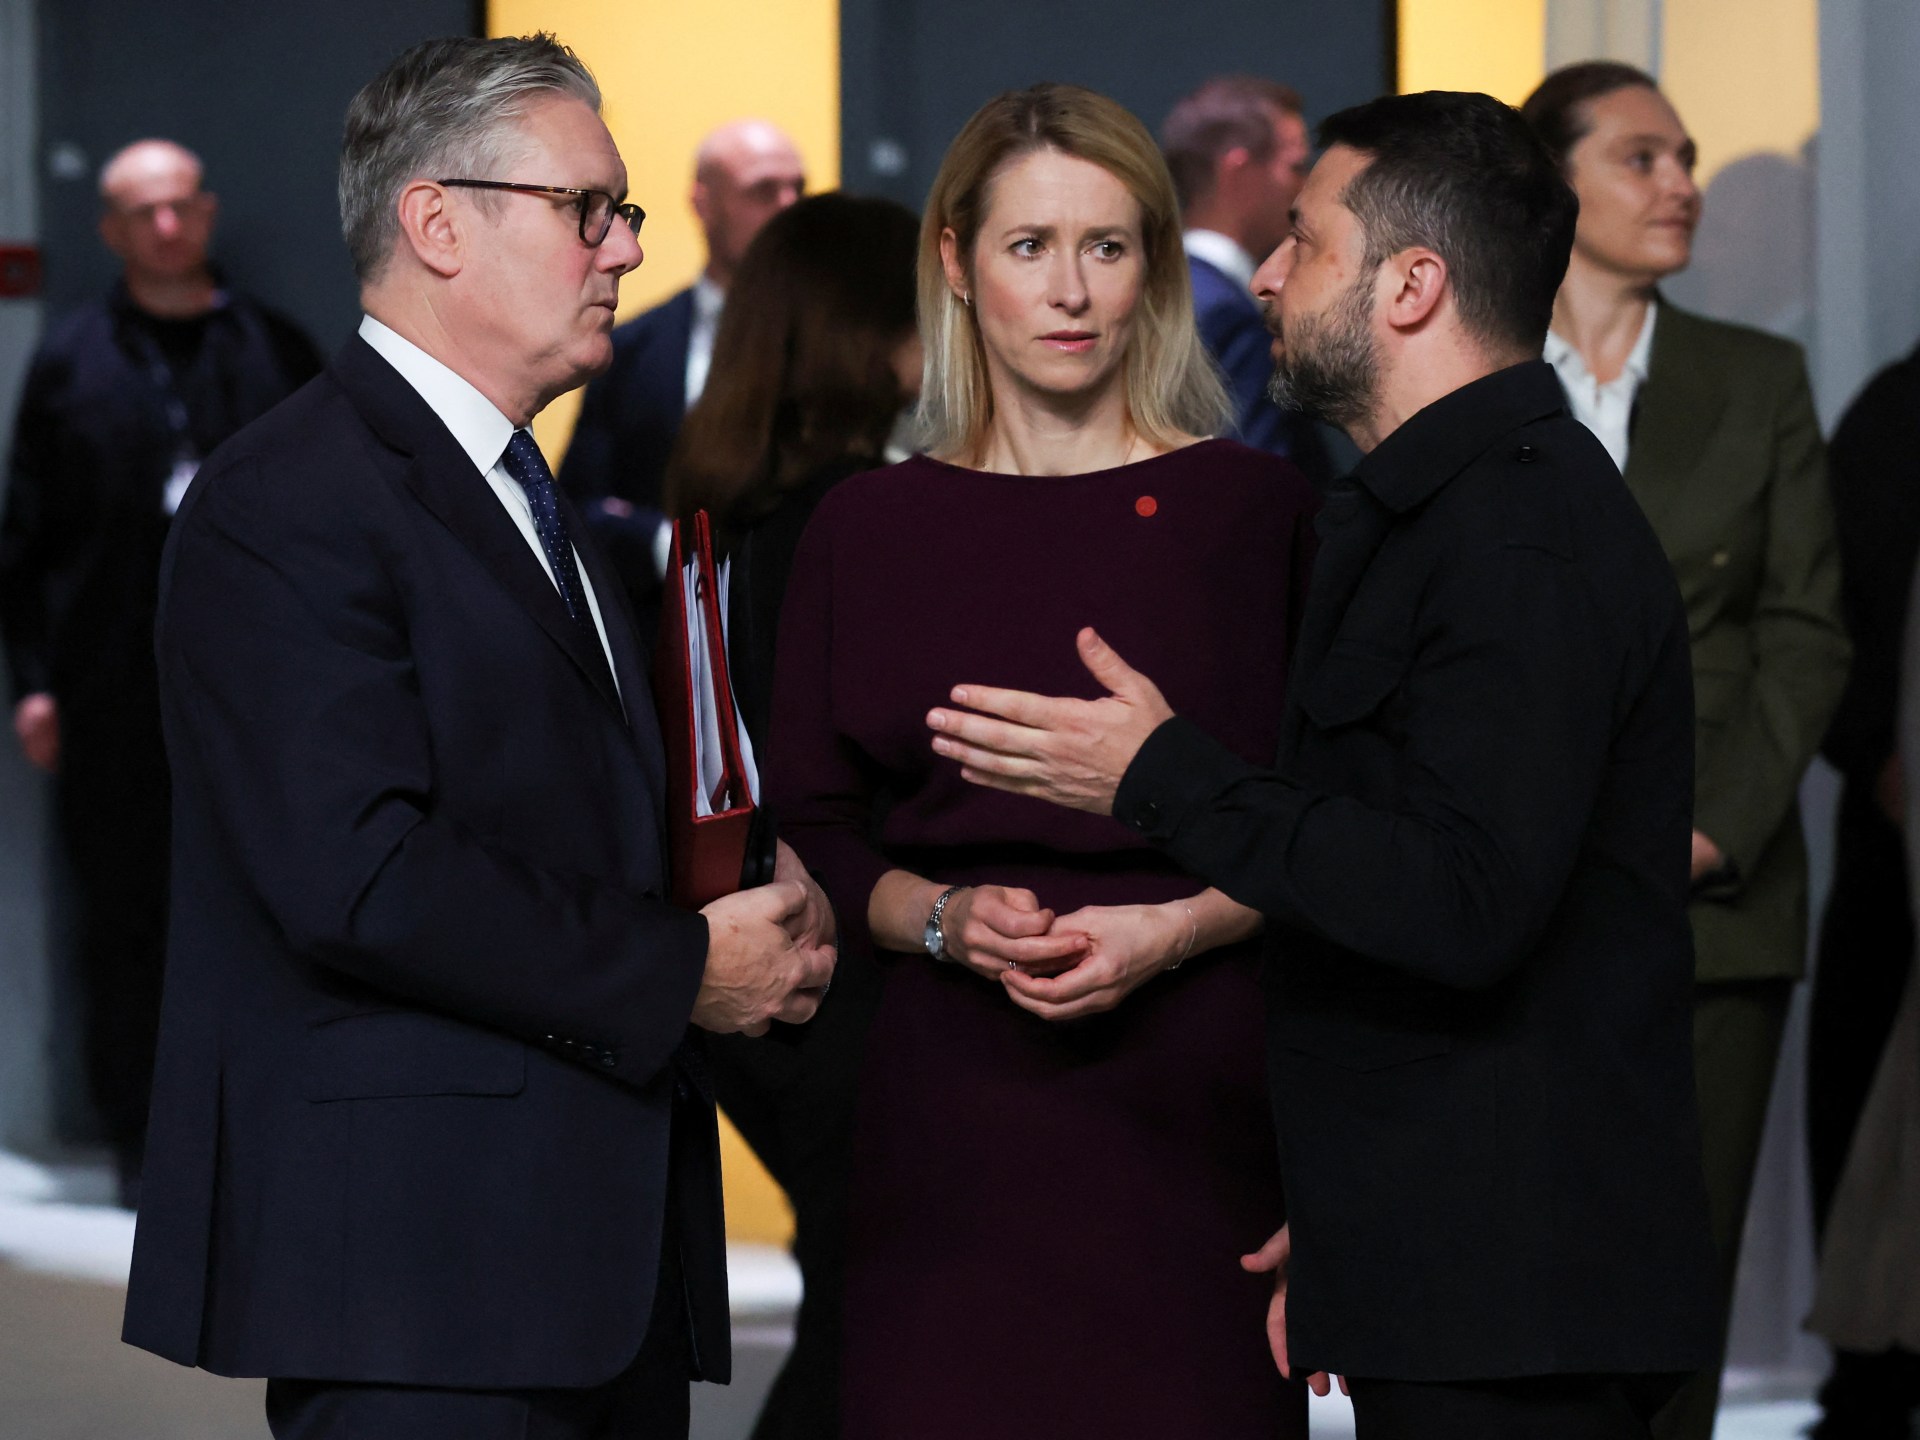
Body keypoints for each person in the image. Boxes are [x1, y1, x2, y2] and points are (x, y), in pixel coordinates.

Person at [926, 89, 1721, 1439]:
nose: (1269, 275)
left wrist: (1159, 772)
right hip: (1450, 1253)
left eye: (1306, 241)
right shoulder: (1422, 511)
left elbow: (1461, 902)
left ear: (1411, 287)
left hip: (1515, 1300)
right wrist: (1355, 1212)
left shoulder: (1516, 537)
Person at [118, 35, 835, 1440]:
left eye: (623, 210)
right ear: (437, 224)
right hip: (423, 1283)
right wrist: (685, 966)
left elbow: (550, 805)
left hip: (581, 1264)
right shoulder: (289, 499)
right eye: (588, 208)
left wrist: (748, 880)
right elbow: (361, 875)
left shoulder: (522, 490)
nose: (628, 247)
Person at [768, 83, 1316, 1440]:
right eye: (1030, 246)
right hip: (950, 1121)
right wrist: (942, 917)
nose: (1070, 290)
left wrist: (1177, 928)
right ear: (956, 263)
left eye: (1106, 246)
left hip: (1201, 1112)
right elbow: (813, 824)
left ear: (1154, 267)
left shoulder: (1258, 515)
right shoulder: (867, 528)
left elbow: (1342, 831)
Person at [1519, 62, 1851, 1440]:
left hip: (1710, 899)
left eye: (1690, 158)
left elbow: (1807, 634)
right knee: (1516, 1274)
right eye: (1643, 158)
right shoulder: (1473, 370)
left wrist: (1713, 831)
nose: (1683, 186)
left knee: (1677, 1283)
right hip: (1507, 894)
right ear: (1553, 186)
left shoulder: (1755, 377)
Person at [0, 138, 321, 1205]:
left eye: (182, 205)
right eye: (145, 212)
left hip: (263, 691)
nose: (168, 226)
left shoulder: (274, 349)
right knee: (128, 917)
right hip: (112, 695)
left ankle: (265, 1128)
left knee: (271, 903)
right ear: (112, 230)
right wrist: (34, 684)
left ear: (208, 211)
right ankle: (144, 1143)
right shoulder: (72, 363)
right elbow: (28, 540)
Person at [658, 189, 921, 1440]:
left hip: (761, 961)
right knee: (879, 1328)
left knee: (858, 1309)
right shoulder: (854, 519)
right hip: (843, 965)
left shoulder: (728, 513)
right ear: (874, 333)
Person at [560, 118, 806, 623]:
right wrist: (670, 546)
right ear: (704, 202)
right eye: (762, 190)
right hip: (663, 633)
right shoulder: (629, 348)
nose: (788, 208)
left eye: (798, 189)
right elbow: (577, 509)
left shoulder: (840, 345)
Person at [1808, 335, 1920, 1438]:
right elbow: (1822, 631)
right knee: (1872, 1131)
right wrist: (1882, 754)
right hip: (1894, 858)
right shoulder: (1895, 416)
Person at [1160, 75, 1334, 487]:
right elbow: (1256, 487)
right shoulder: (1225, 313)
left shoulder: (1161, 288)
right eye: (1295, 167)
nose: (1306, 188)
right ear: (1238, 171)